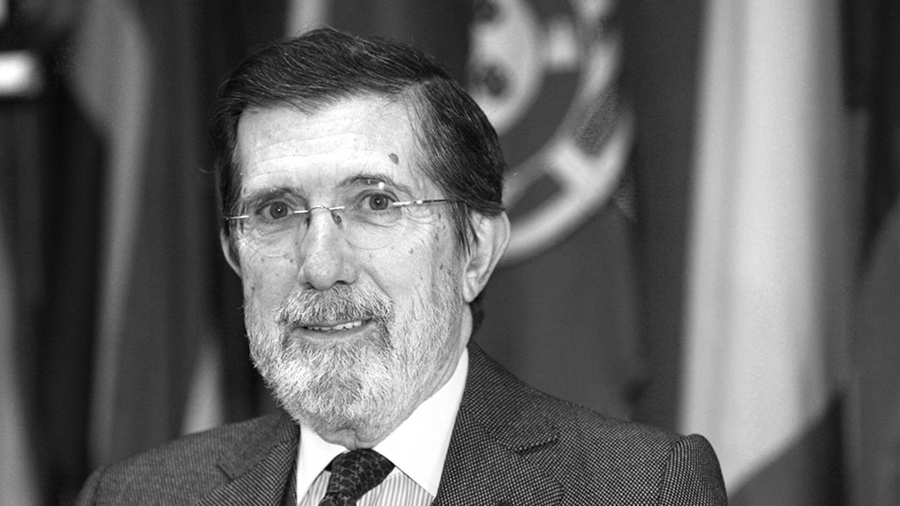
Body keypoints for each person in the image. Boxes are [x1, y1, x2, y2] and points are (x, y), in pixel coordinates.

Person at [76, 27, 727, 505]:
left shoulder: (642, 490)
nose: (321, 265)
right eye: (276, 211)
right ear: (234, 255)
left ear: (475, 251)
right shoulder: (134, 495)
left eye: (376, 203)